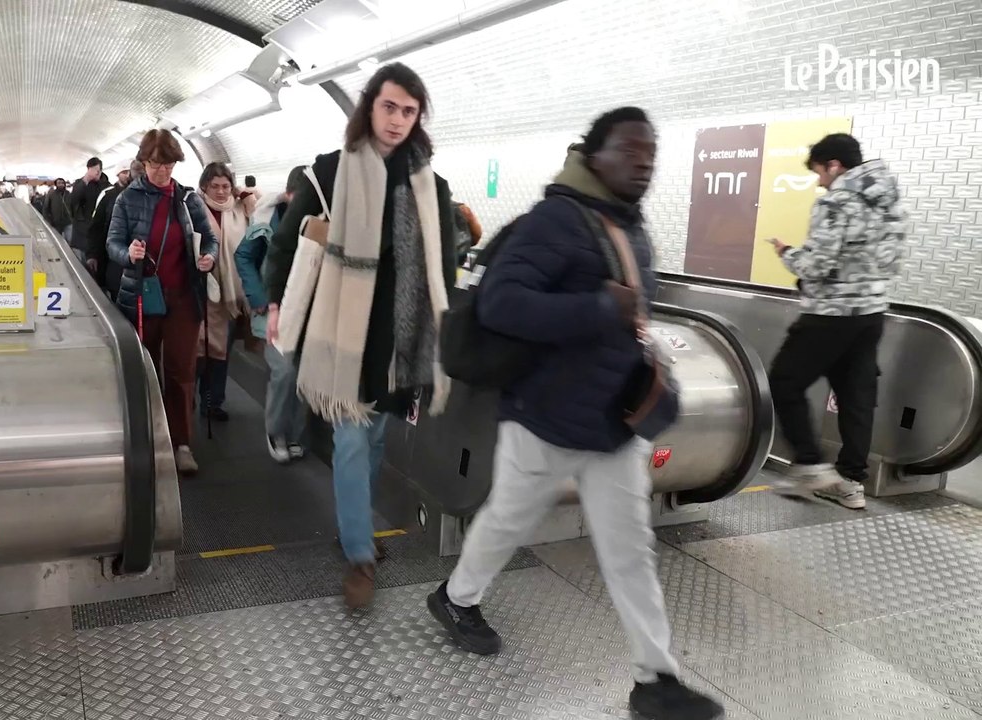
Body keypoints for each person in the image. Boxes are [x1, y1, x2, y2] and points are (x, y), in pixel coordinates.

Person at [426, 108, 725, 720]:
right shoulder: (555, 220)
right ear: (595, 155)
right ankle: (456, 597)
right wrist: (595, 309)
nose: (644, 160)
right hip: (544, 419)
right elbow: (503, 305)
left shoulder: (630, 225)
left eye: (651, 150)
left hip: (614, 424)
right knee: (507, 520)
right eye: (630, 150)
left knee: (629, 549)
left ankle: (655, 679)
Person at [263, 62, 459, 609]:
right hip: (344, 329)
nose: (397, 120)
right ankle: (359, 556)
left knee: (374, 439)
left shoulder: (430, 185)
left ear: (418, 118)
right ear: (370, 107)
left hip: (398, 337)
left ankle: (359, 532)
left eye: (409, 111)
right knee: (351, 439)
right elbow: (286, 243)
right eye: (389, 107)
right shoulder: (329, 173)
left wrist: (443, 324)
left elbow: (444, 264)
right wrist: (276, 299)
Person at [764, 133, 907, 510]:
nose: (819, 181)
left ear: (834, 165)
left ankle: (809, 464)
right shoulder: (889, 204)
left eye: (819, 172)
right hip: (872, 314)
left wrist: (787, 253)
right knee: (855, 397)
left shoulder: (836, 203)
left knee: (784, 380)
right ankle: (850, 482)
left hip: (831, 314)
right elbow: (891, 261)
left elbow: (817, 265)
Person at [106, 130, 219, 476]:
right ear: (145, 163)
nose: (162, 172)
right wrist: (130, 254)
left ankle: (182, 443)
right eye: (156, 164)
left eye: (168, 165)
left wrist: (209, 258)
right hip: (143, 296)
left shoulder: (187, 200)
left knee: (182, 371)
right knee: (147, 370)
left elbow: (210, 238)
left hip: (184, 296)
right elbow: (113, 243)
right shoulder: (127, 199)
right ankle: (151, 440)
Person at [234, 165, 309, 463]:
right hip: (273, 309)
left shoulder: (320, 220)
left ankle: (293, 435)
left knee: (302, 375)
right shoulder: (266, 221)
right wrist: (259, 297)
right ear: (289, 195)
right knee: (284, 371)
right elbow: (244, 256)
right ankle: (276, 431)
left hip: (305, 311)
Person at [195, 162, 256, 422]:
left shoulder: (239, 210)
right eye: (215, 186)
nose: (221, 192)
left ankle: (213, 402)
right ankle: (191, 397)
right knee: (199, 351)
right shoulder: (194, 208)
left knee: (222, 352)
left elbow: (260, 219)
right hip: (202, 291)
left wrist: (249, 196)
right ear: (205, 186)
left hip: (231, 295)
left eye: (226, 186)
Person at [87, 162, 137, 294]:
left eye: (129, 172)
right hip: (109, 254)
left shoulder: (138, 195)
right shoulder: (107, 195)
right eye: (124, 172)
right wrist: (92, 254)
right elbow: (96, 225)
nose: (128, 175)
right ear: (117, 174)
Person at [70, 157, 111, 266]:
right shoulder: (81, 183)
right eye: (93, 170)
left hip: (98, 235)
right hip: (81, 234)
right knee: (79, 267)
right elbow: (73, 200)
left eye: (98, 170)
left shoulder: (107, 187)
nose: (96, 173)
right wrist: (86, 179)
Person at [44, 178, 74, 242]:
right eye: (59, 183)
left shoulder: (68, 194)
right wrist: (49, 220)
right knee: (57, 241)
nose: (61, 185)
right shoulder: (51, 195)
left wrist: (73, 217)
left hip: (68, 221)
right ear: (56, 185)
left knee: (69, 240)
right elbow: (46, 208)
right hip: (56, 222)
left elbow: (73, 206)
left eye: (62, 183)